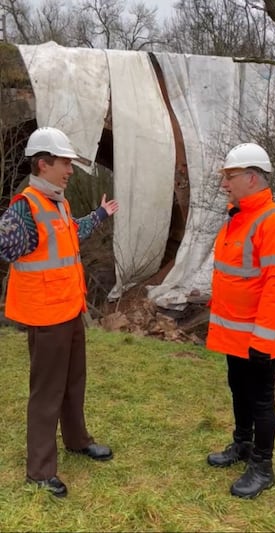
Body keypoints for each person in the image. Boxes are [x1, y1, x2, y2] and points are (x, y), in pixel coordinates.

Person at [0, 126, 119, 498]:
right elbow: (6, 247)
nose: (70, 170)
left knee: (72, 383)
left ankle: (77, 440)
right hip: (45, 315)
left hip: (70, 309)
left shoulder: (59, 202)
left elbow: (70, 235)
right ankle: (39, 470)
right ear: (42, 164)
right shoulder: (25, 205)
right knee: (46, 392)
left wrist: (98, 214)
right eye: (65, 163)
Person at [206, 142, 275, 499]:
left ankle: (263, 466)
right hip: (235, 335)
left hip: (259, 338)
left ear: (251, 177)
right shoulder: (238, 217)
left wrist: (262, 341)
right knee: (238, 389)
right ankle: (242, 444)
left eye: (229, 177)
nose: (224, 184)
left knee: (261, 400)